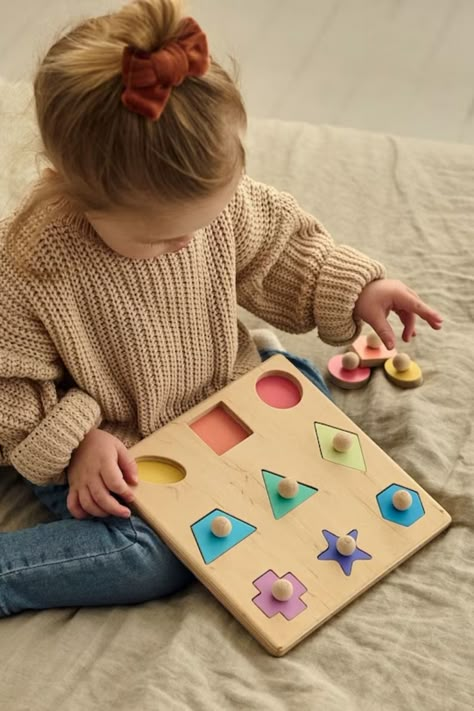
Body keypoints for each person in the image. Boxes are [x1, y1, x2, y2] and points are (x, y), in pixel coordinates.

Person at [0, 0, 442, 618]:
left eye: (204, 222)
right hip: (117, 444)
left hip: (222, 394)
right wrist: (78, 445)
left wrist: (357, 289)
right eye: (159, 240)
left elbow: (283, 252)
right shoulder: (31, 264)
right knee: (156, 556)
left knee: (305, 392)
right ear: (74, 192)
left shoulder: (213, 207)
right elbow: (10, 388)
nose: (186, 244)